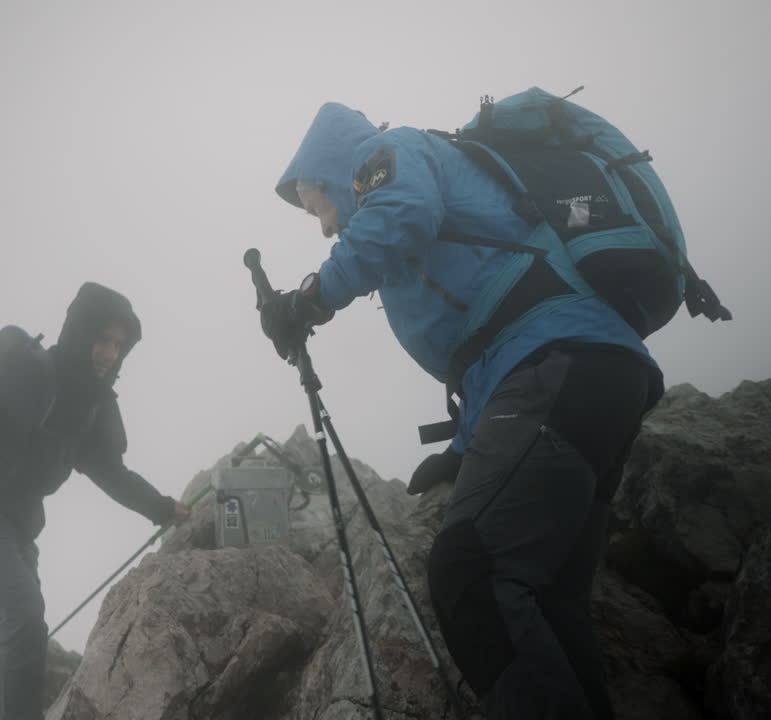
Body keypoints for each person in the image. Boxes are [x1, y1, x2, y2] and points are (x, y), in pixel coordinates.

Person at [260, 102, 664, 719]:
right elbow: (489, 343)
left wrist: (310, 299)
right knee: (549, 601)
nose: (322, 228)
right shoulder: (407, 218)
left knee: (470, 574)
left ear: (332, 174)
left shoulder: (388, 155)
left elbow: (402, 216)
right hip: (589, 375)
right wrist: (466, 447)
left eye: (317, 208)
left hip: (559, 363)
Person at [0, 281, 191, 720]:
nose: (109, 353)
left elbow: (111, 472)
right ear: (79, 331)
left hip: (17, 530)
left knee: (9, 653)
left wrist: (164, 509)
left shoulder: (93, 406)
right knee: (25, 620)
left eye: (119, 345)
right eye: (102, 338)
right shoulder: (30, 370)